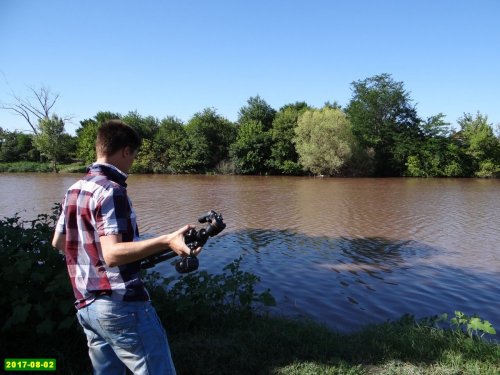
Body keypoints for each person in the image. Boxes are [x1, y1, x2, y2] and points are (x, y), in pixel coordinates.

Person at [52, 120, 200, 375]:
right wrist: (166, 241)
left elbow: (59, 243)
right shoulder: (112, 191)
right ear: (125, 151)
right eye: (134, 155)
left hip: (86, 306)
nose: (133, 162)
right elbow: (112, 255)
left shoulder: (74, 189)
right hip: (121, 307)